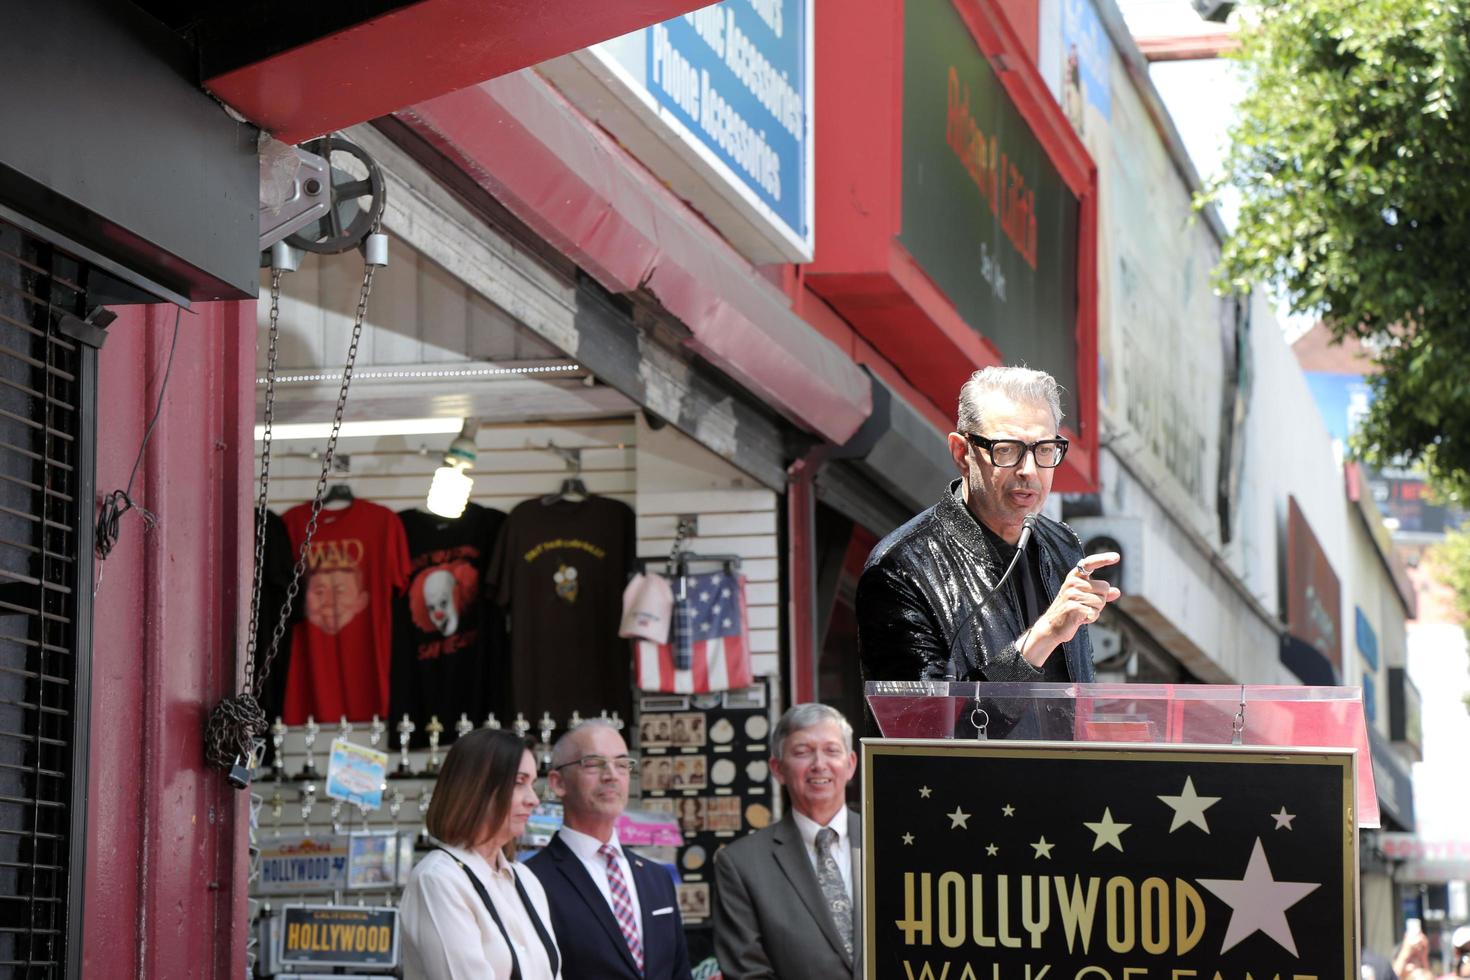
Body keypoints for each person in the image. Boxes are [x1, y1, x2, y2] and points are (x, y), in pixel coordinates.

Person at [858, 365, 1120, 684]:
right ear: (960, 452)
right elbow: (924, 723)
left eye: (1044, 450)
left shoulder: (1062, 545)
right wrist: (1045, 635)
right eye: (1007, 450)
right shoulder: (903, 567)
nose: (1029, 470)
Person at [526, 720, 693, 980]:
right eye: (593, 764)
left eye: (622, 764)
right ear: (558, 783)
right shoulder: (531, 880)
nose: (611, 775)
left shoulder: (657, 878)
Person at [713, 703, 862, 979]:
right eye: (803, 752)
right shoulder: (740, 865)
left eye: (831, 750)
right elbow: (748, 973)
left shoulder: (886, 843)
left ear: (851, 764)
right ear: (777, 768)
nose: (819, 764)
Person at [400, 729, 561, 979]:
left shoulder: (526, 880)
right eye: (519, 782)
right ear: (476, 787)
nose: (534, 800)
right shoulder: (437, 880)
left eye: (533, 785)